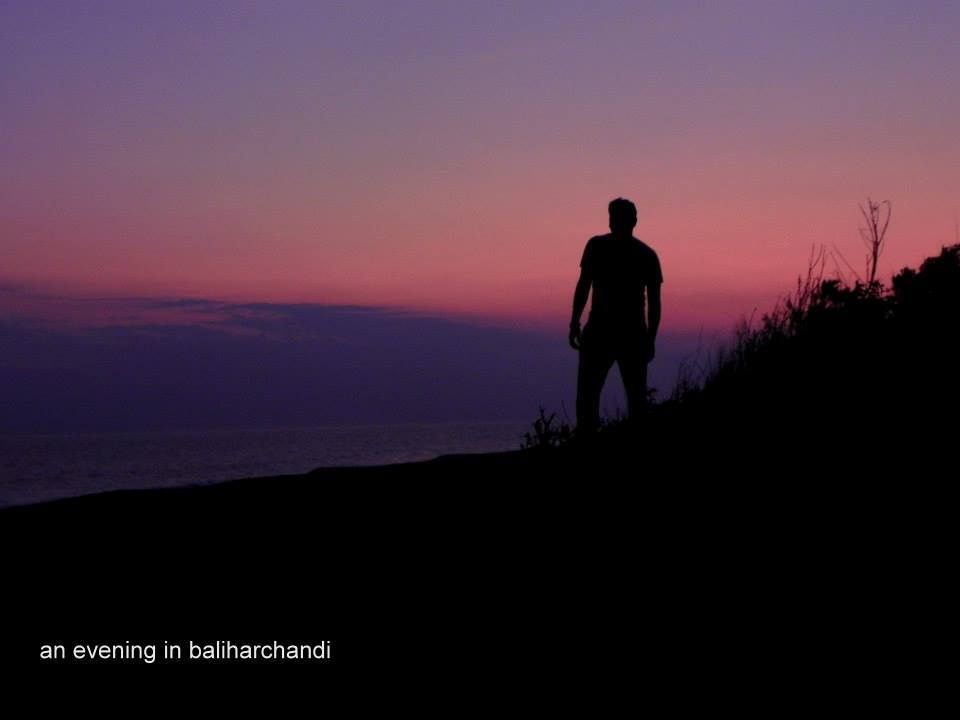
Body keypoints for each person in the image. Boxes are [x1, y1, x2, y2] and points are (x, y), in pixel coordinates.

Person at [569, 198, 663, 431]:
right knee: (604, 396)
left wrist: (574, 323)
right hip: (617, 333)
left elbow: (654, 303)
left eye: (616, 217)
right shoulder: (644, 254)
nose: (613, 222)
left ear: (632, 221)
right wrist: (574, 322)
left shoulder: (640, 254)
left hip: (616, 332)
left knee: (597, 395)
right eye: (612, 217)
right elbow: (583, 286)